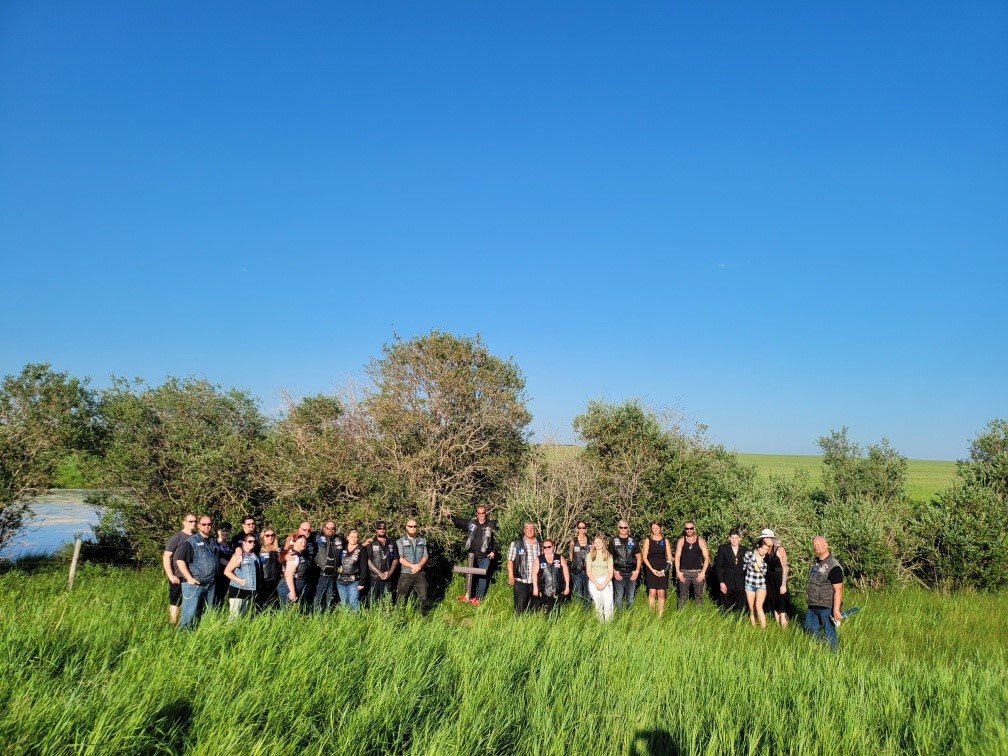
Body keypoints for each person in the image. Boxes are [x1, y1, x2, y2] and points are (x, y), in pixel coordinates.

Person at [174, 515, 219, 629]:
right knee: (189, 615)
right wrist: (189, 578)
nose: (207, 526)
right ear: (199, 525)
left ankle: (200, 635)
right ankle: (183, 638)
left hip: (210, 584)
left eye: (209, 524)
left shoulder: (213, 540)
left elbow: (217, 558)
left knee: (208, 614)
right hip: (194, 585)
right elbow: (180, 560)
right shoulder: (191, 541)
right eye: (204, 524)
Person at [450, 505, 499, 601]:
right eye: (479, 513)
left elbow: (497, 539)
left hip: (485, 556)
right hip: (471, 555)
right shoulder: (471, 523)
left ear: (486, 513)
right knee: (470, 575)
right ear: (477, 514)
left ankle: (479, 599)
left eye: (483, 513)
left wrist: (493, 551)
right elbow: (459, 521)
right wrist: (450, 516)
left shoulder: (491, 525)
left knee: (482, 577)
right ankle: (469, 596)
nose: (481, 515)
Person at [804, 536, 843, 652]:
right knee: (809, 628)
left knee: (829, 632)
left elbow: (838, 590)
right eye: (815, 545)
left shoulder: (834, 566)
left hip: (826, 606)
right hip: (812, 605)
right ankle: (820, 649)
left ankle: (833, 655)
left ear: (826, 545)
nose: (817, 547)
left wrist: (836, 610)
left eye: (819, 544)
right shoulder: (815, 563)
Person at [162, 513, 196, 625]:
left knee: (190, 601)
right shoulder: (177, 537)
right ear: (184, 522)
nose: (193, 523)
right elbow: (167, 556)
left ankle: (188, 623)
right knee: (175, 601)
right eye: (190, 521)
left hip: (193, 575)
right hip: (178, 576)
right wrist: (171, 575)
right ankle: (173, 624)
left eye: (195, 521)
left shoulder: (196, 537)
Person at [506, 521, 543, 614]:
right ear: (524, 530)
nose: (530, 531)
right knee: (519, 610)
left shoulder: (540, 544)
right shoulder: (516, 543)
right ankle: (519, 627)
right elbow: (510, 560)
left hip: (535, 583)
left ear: (535, 530)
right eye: (527, 529)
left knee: (535, 610)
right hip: (521, 581)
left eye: (532, 529)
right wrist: (510, 576)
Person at [674, 520, 710, 609]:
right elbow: (677, 557)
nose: (689, 530)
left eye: (691, 528)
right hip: (684, 573)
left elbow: (707, 558)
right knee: (682, 596)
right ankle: (680, 616)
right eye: (687, 528)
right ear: (685, 529)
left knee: (699, 597)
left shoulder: (701, 541)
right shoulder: (681, 541)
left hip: (697, 573)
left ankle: (699, 616)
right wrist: (678, 572)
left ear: (694, 528)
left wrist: (703, 573)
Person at [223, 532, 260, 618]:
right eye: (250, 541)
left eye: (254, 541)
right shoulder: (239, 555)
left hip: (249, 589)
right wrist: (239, 580)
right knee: (234, 617)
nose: (253, 543)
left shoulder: (253, 555)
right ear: (244, 542)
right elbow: (227, 571)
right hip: (238, 589)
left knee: (243, 616)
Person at [396, 519, 429, 613]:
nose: (413, 528)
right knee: (401, 599)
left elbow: (425, 555)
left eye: (415, 526)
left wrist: (419, 566)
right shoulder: (400, 541)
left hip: (420, 573)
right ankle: (399, 619)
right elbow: (400, 558)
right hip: (406, 573)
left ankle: (421, 618)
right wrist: (412, 566)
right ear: (406, 527)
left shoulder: (422, 541)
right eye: (410, 526)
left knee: (423, 598)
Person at [761, 528, 791, 628]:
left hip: (779, 578)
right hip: (769, 578)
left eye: (767, 537)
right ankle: (778, 628)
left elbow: (785, 567)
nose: (765, 539)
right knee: (774, 604)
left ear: (771, 537)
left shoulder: (780, 549)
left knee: (781, 605)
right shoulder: (765, 549)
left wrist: (783, 585)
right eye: (764, 538)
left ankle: (784, 630)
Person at [642, 521, 673, 617]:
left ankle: (660, 616)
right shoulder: (648, 540)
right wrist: (652, 569)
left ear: (661, 528)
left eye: (657, 528)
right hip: (651, 569)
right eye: (653, 528)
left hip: (662, 569)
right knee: (652, 592)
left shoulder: (665, 541)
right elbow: (644, 557)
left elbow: (670, 557)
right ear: (651, 529)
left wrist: (665, 570)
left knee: (661, 593)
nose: (655, 530)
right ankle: (651, 615)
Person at [609, 520, 641, 611]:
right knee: (618, 598)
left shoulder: (633, 540)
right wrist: (614, 571)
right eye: (621, 527)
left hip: (632, 573)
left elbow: (639, 557)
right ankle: (618, 619)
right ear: (618, 528)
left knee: (630, 598)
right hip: (619, 573)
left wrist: (637, 571)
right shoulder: (613, 541)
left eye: (625, 527)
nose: (623, 529)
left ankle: (629, 618)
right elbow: (609, 558)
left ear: (628, 528)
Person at [532, 539, 570, 613]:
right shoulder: (539, 559)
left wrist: (567, 586)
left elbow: (566, 572)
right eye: (544, 547)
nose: (547, 549)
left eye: (549, 547)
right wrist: (535, 587)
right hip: (545, 592)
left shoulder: (560, 558)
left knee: (558, 613)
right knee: (546, 613)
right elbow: (534, 573)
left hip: (559, 591)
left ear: (553, 547)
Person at [366, 520, 399, 605]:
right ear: (376, 530)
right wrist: (380, 573)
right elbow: (368, 560)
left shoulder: (392, 542)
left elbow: (395, 559)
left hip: (388, 578)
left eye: (384, 528)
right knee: (372, 602)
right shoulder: (371, 543)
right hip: (375, 578)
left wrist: (390, 572)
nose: (382, 530)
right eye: (379, 528)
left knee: (385, 602)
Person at [314, 521, 343, 613]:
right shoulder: (317, 536)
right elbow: (301, 536)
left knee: (329, 598)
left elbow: (351, 546)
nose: (330, 530)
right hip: (320, 574)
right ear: (324, 528)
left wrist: (364, 544)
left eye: (333, 528)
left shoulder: (339, 539)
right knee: (319, 597)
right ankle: (316, 617)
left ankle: (327, 617)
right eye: (328, 528)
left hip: (333, 575)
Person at [715, 529, 746, 613]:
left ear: (740, 539)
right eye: (732, 537)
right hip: (727, 583)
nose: (734, 540)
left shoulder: (745, 550)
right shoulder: (723, 549)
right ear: (729, 538)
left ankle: (739, 625)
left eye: (736, 538)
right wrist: (721, 582)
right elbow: (718, 566)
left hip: (740, 584)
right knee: (726, 610)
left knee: (739, 610)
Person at [743, 538, 772, 628]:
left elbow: (768, 572)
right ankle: (754, 627)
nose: (764, 551)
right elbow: (743, 567)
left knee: (759, 606)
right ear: (758, 546)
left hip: (761, 584)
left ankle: (764, 628)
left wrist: (760, 564)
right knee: (751, 608)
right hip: (749, 583)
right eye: (762, 548)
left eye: (766, 549)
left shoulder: (767, 558)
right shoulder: (749, 554)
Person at [337, 529, 367, 612]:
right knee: (344, 603)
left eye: (356, 537)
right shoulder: (342, 547)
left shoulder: (361, 549)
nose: (354, 539)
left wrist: (362, 582)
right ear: (347, 537)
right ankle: (346, 621)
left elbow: (364, 566)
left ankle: (356, 621)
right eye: (352, 537)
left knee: (353, 602)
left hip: (354, 581)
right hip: (341, 580)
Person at [587, 534, 614, 621]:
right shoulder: (590, 555)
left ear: (603, 542)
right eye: (595, 542)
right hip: (594, 581)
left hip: (606, 581)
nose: (597, 544)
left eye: (599, 542)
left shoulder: (608, 555)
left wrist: (603, 584)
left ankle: (609, 625)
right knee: (598, 605)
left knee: (608, 604)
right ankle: (600, 625)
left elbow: (611, 573)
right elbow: (589, 572)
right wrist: (597, 584)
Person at [279, 532, 310, 609]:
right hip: (289, 586)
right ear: (294, 543)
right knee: (288, 613)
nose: (303, 544)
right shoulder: (294, 556)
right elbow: (289, 575)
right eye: (301, 542)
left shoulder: (300, 553)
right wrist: (292, 592)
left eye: (304, 542)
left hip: (296, 584)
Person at [256, 526, 282, 609]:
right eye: (267, 535)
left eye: (272, 535)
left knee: (274, 603)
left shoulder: (278, 549)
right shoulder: (258, 548)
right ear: (262, 537)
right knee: (262, 604)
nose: (270, 537)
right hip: (263, 580)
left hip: (276, 580)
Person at [568, 521, 591, 607]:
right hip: (576, 571)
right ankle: (578, 612)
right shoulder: (573, 542)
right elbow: (571, 555)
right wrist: (573, 565)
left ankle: (587, 612)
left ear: (586, 529)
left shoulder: (590, 541)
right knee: (578, 593)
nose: (581, 529)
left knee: (588, 593)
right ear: (577, 529)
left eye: (583, 527)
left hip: (588, 571)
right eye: (580, 527)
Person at [214, 522, 234, 607]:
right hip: (217, 574)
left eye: (227, 531)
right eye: (223, 531)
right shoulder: (213, 543)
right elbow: (218, 558)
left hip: (227, 575)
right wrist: (231, 565)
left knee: (224, 596)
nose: (225, 533)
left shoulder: (231, 545)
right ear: (218, 531)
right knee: (215, 597)